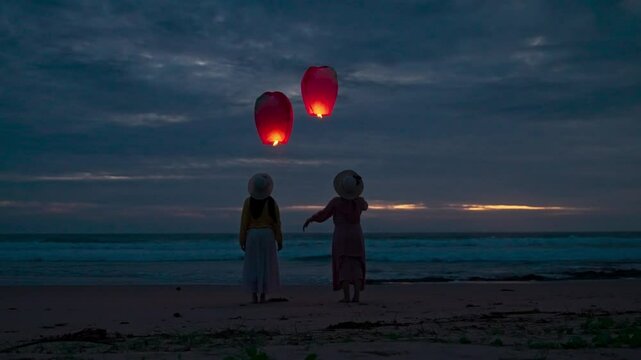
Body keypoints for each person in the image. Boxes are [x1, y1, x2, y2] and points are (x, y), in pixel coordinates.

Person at [303, 170, 368, 303]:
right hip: (356, 233)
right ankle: (356, 296)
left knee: (342, 263)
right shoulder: (359, 202)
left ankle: (346, 296)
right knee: (356, 263)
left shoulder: (336, 202)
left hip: (341, 234)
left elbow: (324, 214)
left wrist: (311, 219)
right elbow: (366, 206)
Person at [239, 173, 283, 303]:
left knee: (253, 264)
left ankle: (254, 295)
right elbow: (277, 222)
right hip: (267, 235)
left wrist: (242, 239)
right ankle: (263, 294)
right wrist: (279, 239)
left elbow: (244, 222)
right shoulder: (271, 202)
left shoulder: (248, 202)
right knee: (266, 264)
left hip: (252, 234)